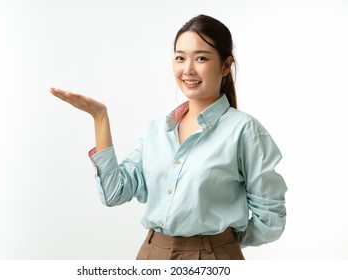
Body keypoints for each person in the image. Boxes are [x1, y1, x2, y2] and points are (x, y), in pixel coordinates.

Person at [50, 14, 287, 260]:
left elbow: (270, 219)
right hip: (152, 253)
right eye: (180, 58)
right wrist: (100, 118)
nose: (188, 69)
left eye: (201, 58)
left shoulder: (244, 131)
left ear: (226, 65)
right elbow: (114, 193)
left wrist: (222, 244)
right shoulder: (157, 131)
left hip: (213, 257)